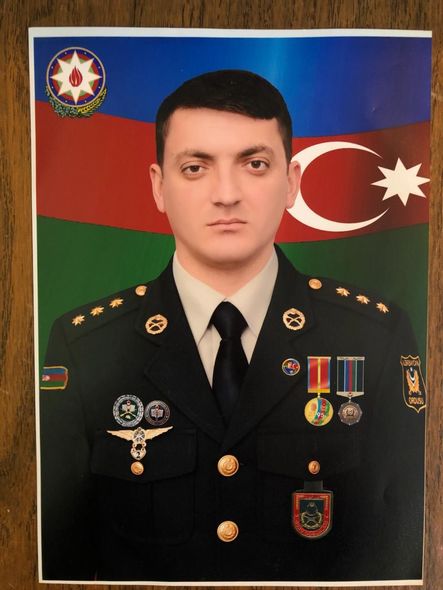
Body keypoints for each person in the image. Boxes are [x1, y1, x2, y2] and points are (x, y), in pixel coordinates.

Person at [39, 70, 426, 582]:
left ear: (292, 182)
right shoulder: (85, 347)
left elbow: (404, 548)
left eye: (255, 164)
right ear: (158, 186)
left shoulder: (374, 338)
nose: (226, 194)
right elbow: (56, 559)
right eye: (195, 167)